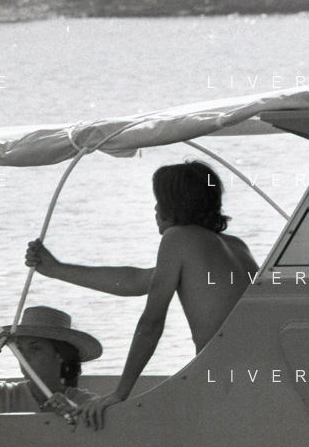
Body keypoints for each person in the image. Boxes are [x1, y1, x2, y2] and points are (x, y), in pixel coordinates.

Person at [25, 160, 258, 429]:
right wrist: (55, 269)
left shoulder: (177, 238)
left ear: (173, 204)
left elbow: (151, 324)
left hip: (224, 383)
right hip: (256, 376)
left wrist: (119, 394)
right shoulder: (237, 247)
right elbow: (133, 281)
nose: (156, 208)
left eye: (159, 201)